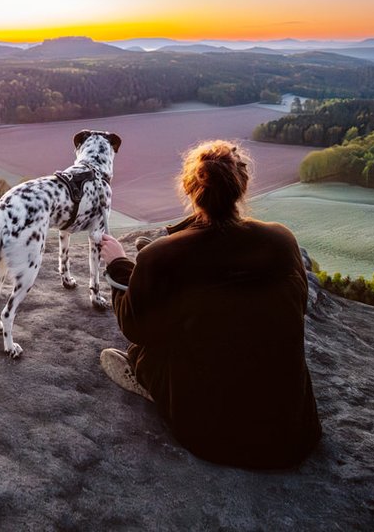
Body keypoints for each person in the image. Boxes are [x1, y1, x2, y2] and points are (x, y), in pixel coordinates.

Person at [98, 140, 321, 469]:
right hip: (292, 432)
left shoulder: (160, 257)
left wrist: (119, 264)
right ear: (241, 186)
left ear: (189, 188)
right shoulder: (282, 240)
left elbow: (135, 326)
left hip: (214, 437)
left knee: (148, 349)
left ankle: (147, 382)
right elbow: (292, 307)